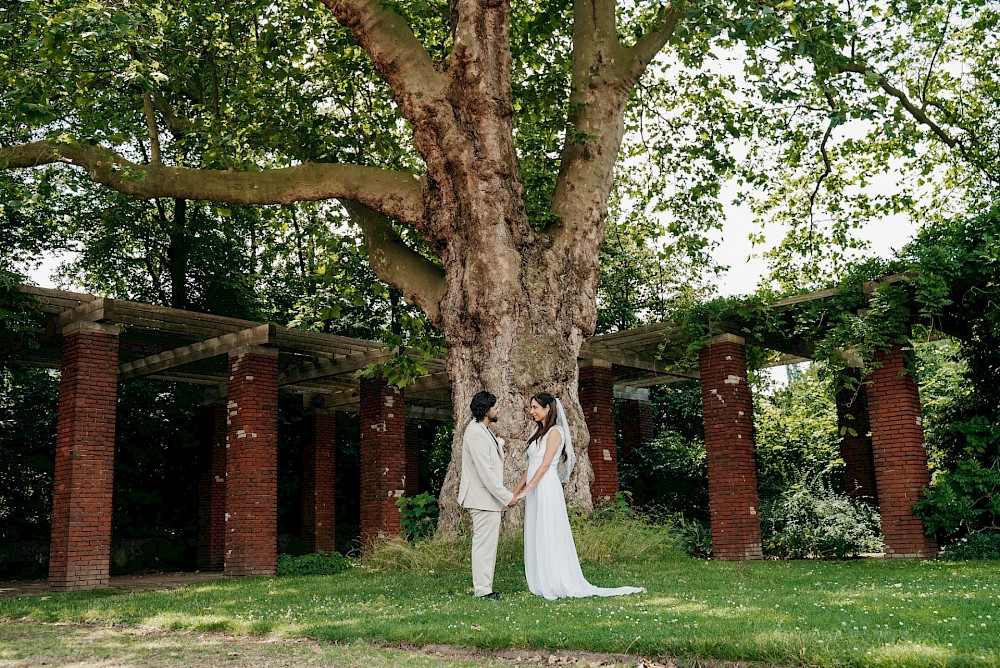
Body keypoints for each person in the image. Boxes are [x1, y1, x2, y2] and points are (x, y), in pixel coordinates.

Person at [513, 392, 645, 601]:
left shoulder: (555, 433)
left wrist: (527, 490)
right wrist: (516, 491)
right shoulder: (538, 432)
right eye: (531, 408)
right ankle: (541, 578)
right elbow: (531, 467)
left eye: (535, 407)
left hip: (546, 486)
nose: (532, 412)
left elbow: (546, 465)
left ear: (548, 408)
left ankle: (556, 579)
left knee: (549, 530)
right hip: (535, 486)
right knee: (536, 529)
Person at [458, 390, 519, 600]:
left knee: (488, 545)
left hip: (487, 499)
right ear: (486, 410)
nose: (498, 409)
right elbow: (486, 473)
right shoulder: (475, 433)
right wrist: (506, 496)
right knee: (484, 546)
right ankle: (483, 591)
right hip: (482, 498)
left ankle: (485, 587)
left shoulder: (483, 430)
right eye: (495, 407)